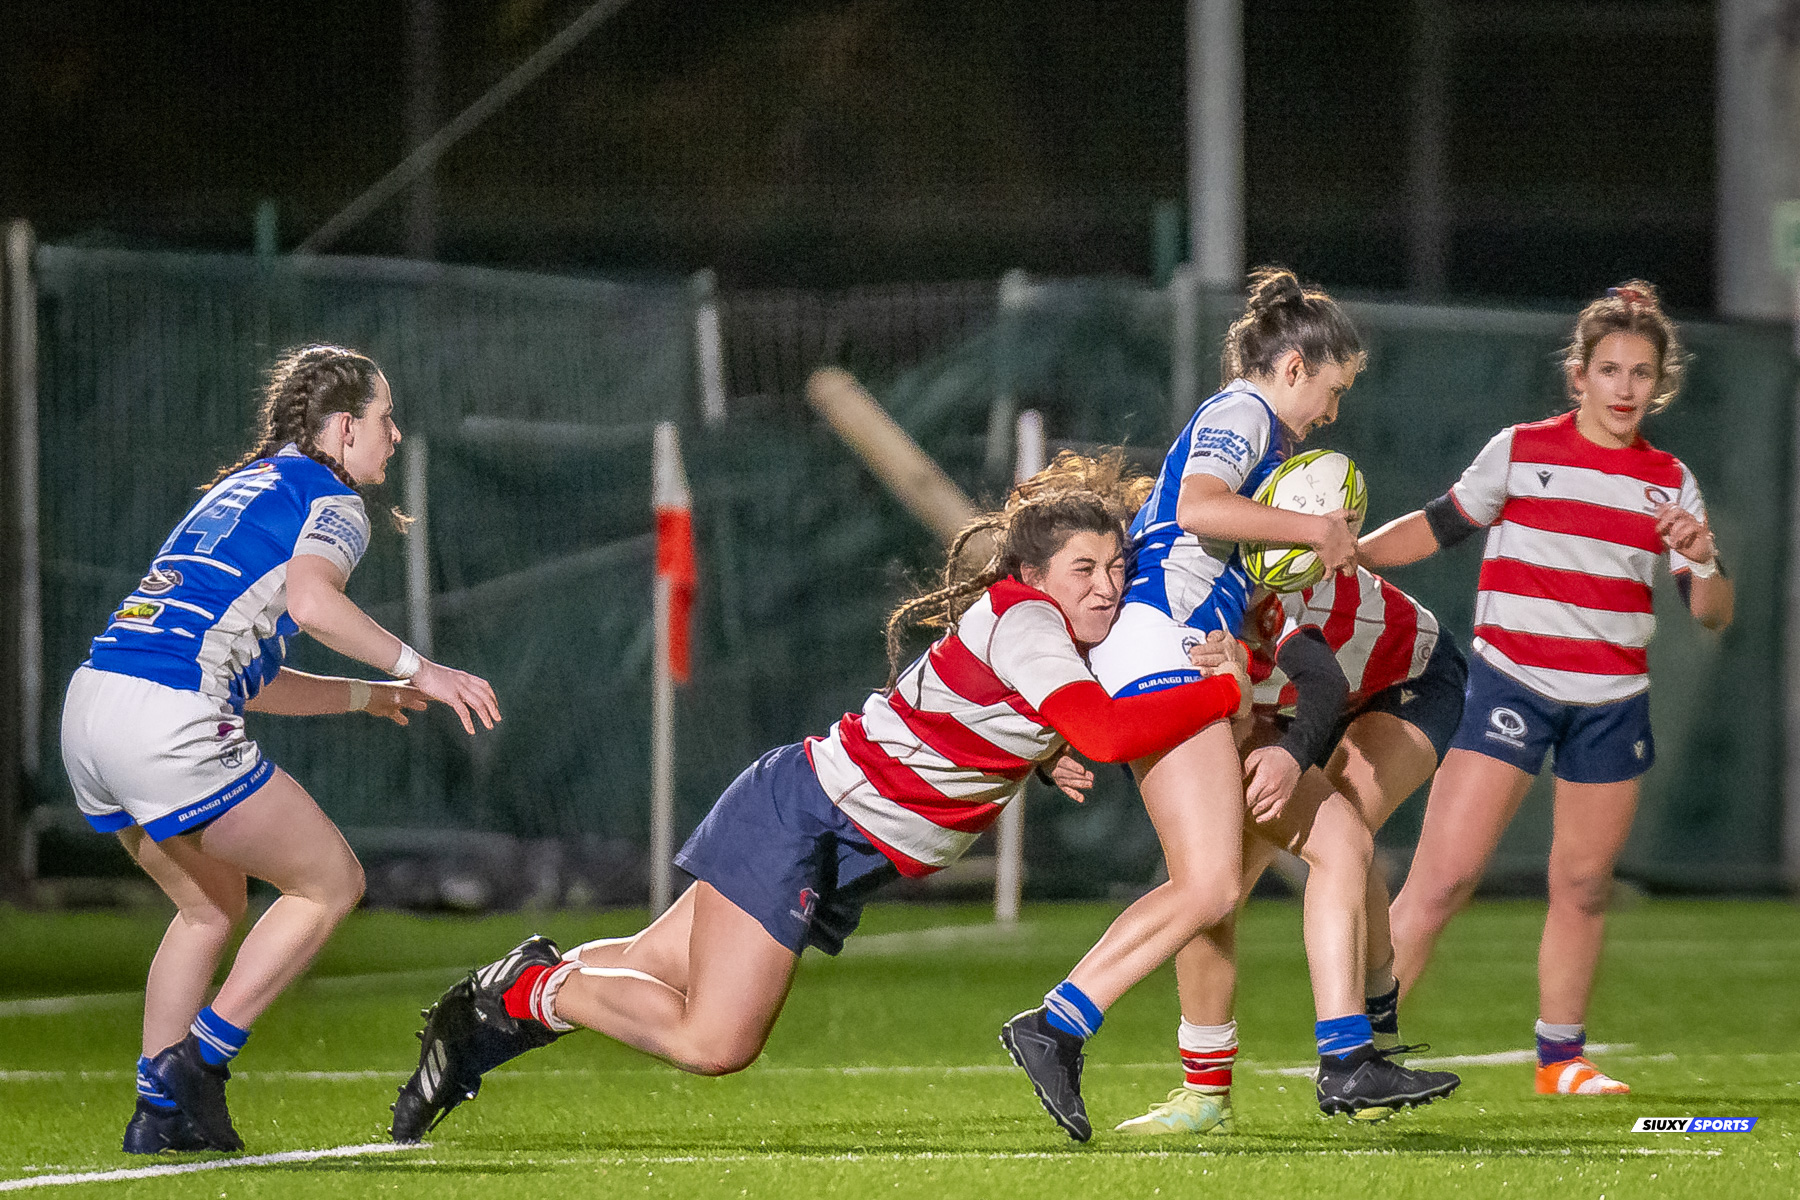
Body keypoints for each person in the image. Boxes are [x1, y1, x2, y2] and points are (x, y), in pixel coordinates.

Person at [387, 453, 1255, 1144]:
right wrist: (1226, 692)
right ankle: (525, 991)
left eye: (1116, 567)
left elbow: (979, 715)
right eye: (1084, 568)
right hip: (808, 817)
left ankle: (498, 1009)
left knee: (654, 964)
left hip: (824, 819)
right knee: (715, 1042)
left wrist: (1039, 753)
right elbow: (1105, 733)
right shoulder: (1031, 621)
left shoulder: (1048, 626)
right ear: (1030, 573)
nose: (1107, 586)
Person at [59, 345, 501, 1154]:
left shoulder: (242, 486)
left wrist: (366, 695)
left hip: (92, 707)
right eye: (386, 418)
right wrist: (423, 670)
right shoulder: (333, 498)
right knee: (331, 883)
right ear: (344, 427)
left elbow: (247, 678)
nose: (396, 436)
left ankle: (159, 1114)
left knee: (209, 907)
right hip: (165, 715)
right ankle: (198, 1063)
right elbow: (315, 604)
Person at [999, 268, 1366, 1142]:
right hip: (1163, 646)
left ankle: (1291, 1070)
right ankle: (1057, 1024)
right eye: (1333, 388)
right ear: (1292, 368)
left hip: (1183, 648)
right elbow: (1201, 506)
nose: (1332, 411)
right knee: (1208, 885)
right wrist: (1315, 529)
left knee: (1288, 856)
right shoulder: (1244, 411)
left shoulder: (1262, 442)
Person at [1360, 282, 1732, 1096]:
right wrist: (1347, 554)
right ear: (1579, 375)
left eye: (1641, 372)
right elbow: (1436, 525)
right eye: (1610, 369)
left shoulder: (1669, 481)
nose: (1625, 387)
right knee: (1443, 880)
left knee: (1584, 885)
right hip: (1511, 685)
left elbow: (1710, 612)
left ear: (1659, 383)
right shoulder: (1521, 451)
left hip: (1612, 703)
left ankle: (1561, 1060)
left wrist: (1703, 558)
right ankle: (1352, 1052)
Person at [1113, 568, 1466, 1134]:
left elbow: (1323, 679)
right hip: (1278, 703)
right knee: (1213, 881)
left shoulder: (1248, 576)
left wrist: (1292, 754)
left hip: (1400, 677)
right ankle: (1207, 1092)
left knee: (1341, 837)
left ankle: (1370, 1035)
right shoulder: (1145, 605)